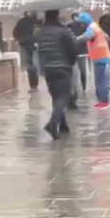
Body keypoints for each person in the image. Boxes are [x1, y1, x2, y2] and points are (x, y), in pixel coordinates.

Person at [33, 10, 78, 140]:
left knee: (56, 97)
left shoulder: (39, 32)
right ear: (57, 15)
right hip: (62, 66)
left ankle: (63, 126)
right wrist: (70, 62)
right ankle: (52, 125)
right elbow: (73, 48)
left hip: (47, 69)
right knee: (64, 97)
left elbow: (36, 47)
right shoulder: (63, 31)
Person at [74, 12, 110, 109]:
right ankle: (101, 101)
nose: (80, 25)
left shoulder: (91, 28)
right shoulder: (96, 26)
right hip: (101, 56)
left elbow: (87, 37)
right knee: (100, 80)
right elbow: (107, 37)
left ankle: (104, 102)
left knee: (101, 81)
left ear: (85, 22)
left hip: (101, 57)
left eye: (81, 23)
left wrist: (74, 40)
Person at [13, 12, 41, 92]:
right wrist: (19, 39)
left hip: (35, 45)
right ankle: (33, 85)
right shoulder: (21, 21)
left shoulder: (38, 22)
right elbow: (15, 32)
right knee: (29, 66)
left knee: (35, 64)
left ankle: (35, 82)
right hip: (24, 45)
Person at [68, 13, 89, 109]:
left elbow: (87, 37)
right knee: (74, 72)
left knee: (83, 71)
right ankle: (74, 90)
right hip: (73, 52)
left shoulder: (84, 26)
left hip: (82, 52)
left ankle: (84, 87)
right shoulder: (69, 26)